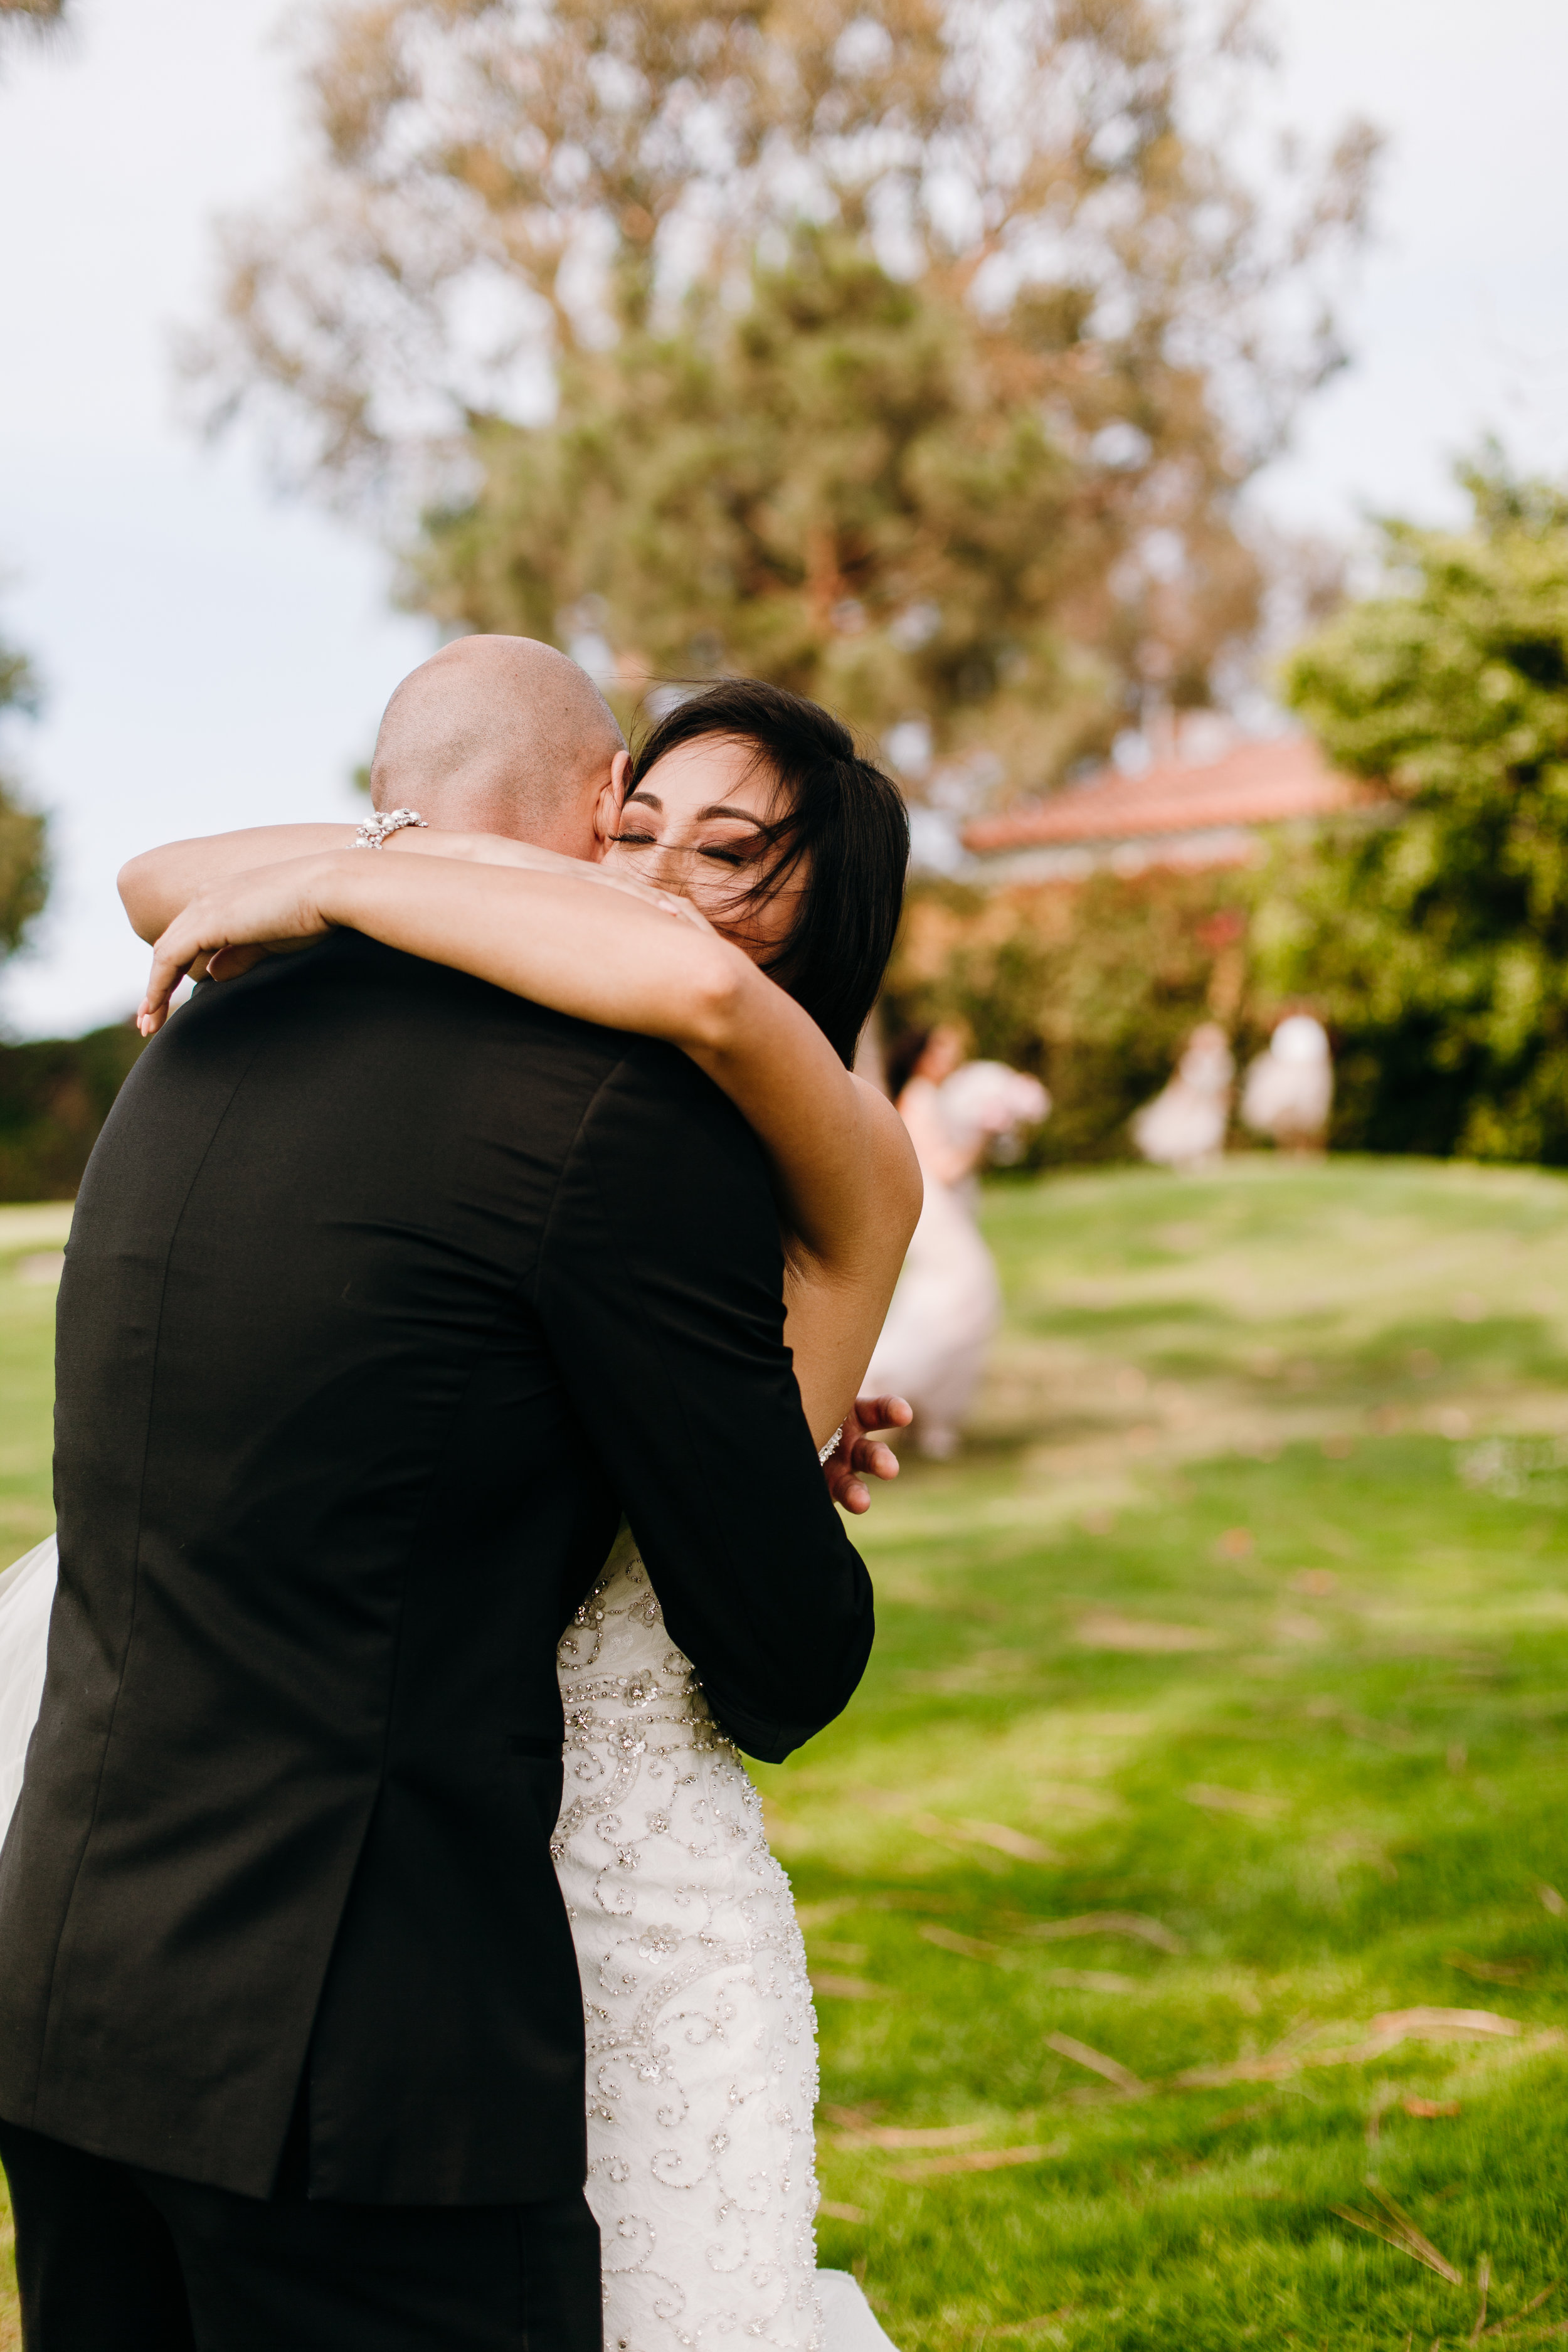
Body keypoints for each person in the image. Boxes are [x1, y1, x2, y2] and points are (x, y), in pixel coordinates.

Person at [0, 642, 921, 2351]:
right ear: (584, 818)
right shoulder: (599, 1122)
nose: (653, 881)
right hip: (359, 2041)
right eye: (640, 824)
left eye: (728, 855)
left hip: (79, 1989)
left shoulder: (216, 1029)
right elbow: (783, 1651)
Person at [866, 1026, 1049, 1458]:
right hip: (937, 1215)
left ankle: (929, 1419)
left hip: (945, 1212)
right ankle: (885, 1384)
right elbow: (945, 1168)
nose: (951, 1056)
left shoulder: (930, 1097)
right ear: (923, 1056)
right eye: (941, 1048)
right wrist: (984, 1133)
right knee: (964, 1297)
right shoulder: (921, 1098)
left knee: (954, 1299)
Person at [1130, 1020, 1234, 1170]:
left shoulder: (1223, 1059)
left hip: (1209, 1102)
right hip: (1191, 1100)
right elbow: (1183, 1081)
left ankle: (1207, 1159)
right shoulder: (1193, 1058)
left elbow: (1223, 1083)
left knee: (1209, 1129)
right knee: (1189, 1129)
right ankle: (1186, 1159)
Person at [1240, 1012, 1333, 1152]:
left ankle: (1308, 1151)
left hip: (1308, 1075)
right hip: (1290, 1074)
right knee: (1286, 1120)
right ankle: (1288, 1151)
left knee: (1307, 1119)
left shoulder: (1309, 1032)